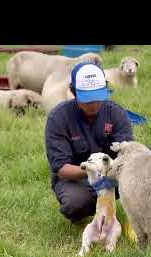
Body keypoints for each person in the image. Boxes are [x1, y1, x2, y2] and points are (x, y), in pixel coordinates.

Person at [45, 61, 134, 224]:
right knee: (75, 203)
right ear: (73, 91)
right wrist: (92, 169)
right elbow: (62, 168)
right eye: (87, 99)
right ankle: (93, 207)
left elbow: (128, 153)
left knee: (149, 161)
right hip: (78, 179)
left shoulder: (116, 113)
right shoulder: (58, 118)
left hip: (114, 174)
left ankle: (135, 216)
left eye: (98, 97)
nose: (94, 104)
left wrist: (114, 171)